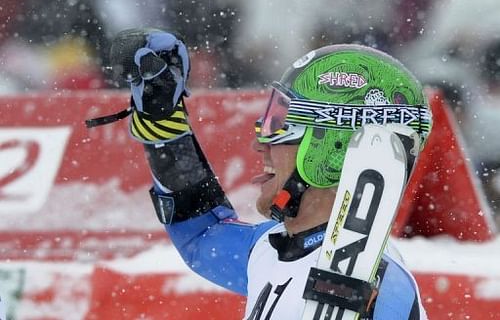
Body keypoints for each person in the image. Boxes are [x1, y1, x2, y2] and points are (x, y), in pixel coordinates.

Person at [89, 28, 430, 319]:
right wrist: (165, 131)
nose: (261, 144)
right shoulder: (271, 249)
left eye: (282, 124)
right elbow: (201, 238)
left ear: (334, 147)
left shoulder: (384, 286)